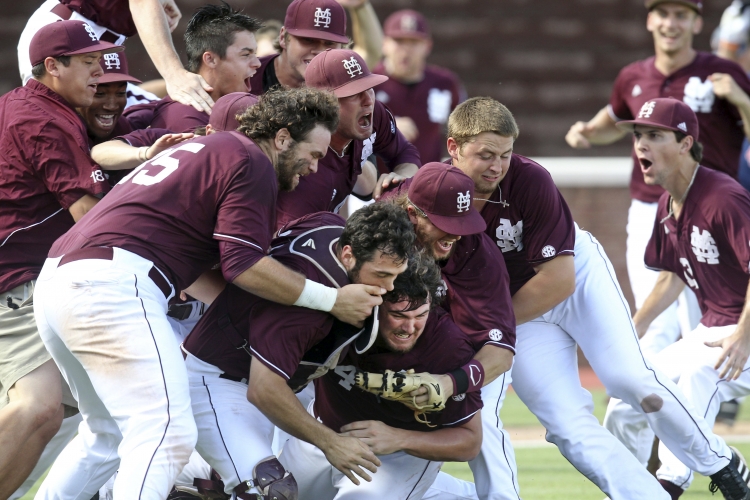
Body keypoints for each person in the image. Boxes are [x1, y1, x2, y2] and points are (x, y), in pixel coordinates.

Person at [30, 87, 381, 498]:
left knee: (105, 435)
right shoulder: (253, 160)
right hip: (110, 285)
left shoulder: (216, 149)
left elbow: (209, 264)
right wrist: (332, 300)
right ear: (282, 138)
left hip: (61, 280)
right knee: (167, 434)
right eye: (315, 154)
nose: (315, 167)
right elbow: (244, 264)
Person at [425, 96, 750, 500]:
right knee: (567, 428)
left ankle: (719, 461)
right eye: (485, 155)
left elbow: (559, 282)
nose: (497, 166)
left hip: (571, 279)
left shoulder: (529, 179)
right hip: (514, 311)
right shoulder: (429, 193)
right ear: (453, 148)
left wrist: (491, 328)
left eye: (505, 154)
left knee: (627, 379)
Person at [181, 204, 414, 497]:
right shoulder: (304, 308)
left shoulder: (330, 225)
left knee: (233, 478)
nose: (389, 286)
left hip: (250, 375)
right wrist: (330, 443)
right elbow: (264, 390)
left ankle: (193, 480)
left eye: (396, 274)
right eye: (381, 274)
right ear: (347, 254)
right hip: (219, 383)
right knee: (269, 489)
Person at [565, 0, 750, 365]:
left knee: (706, 318)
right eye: (663, 13)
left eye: (682, 15)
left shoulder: (721, 73)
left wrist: (741, 98)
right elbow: (612, 120)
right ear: (650, 20)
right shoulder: (633, 76)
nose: (671, 23)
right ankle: (646, 403)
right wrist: (587, 132)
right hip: (653, 208)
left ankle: (704, 399)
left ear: (697, 24)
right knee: (656, 316)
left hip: (714, 210)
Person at [602, 97, 750, 498]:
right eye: (638, 136)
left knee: (696, 380)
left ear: (685, 143)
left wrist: (743, 337)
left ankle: (670, 483)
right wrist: (634, 327)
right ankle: (628, 489)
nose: (641, 145)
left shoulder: (723, 197)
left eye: (654, 135)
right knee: (627, 397)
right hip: (712, 329)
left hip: (744, 331)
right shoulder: (667, 204)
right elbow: (672, 276)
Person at [0, 20, 117, 498]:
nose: (98, 73)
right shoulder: (44, 117)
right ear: (53, 66)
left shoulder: (30, 103)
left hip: (27, 276)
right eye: (88, 63)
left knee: (87, 411)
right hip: (19, 280)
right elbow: (87, 215)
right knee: (40, 408)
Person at [279, 251, 483, 500]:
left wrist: (399, 439)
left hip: (397, 455)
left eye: (421, 315)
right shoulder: (337, 317)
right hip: (321, 432)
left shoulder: (448, 346)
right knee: (271, 494)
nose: (410, 328)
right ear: (374, 303)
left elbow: (470, 442)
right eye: (398, 315)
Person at [275, 48, 419, 228]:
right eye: (354, 93)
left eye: (369, 88)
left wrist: (402, 181)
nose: (368, 100)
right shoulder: (306, 169)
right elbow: (289, 250)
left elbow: (405, 152)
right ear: (323, 105)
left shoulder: (370, 114)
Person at [18, 0, 215, 112]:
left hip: (90, 34)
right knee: (61, 128)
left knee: (116, 101)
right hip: (67, 35)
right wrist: (174, 74)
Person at [123, 3, 262, 133]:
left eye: (255, 54)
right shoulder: (185, 116)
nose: (257, 63)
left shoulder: (237, 105)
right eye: (246, 54)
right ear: (210, 59)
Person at [372, 9, 465, 164]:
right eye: (399, 41)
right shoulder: (371, 81)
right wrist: (386, 126)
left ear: (427, 46)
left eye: (414, 42)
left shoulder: (445, 83)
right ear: (384, 44)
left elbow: (466, 129)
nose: (406, 50)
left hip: (428, 180)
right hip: (378, 181)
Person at [247, 0, 349, 95]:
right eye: (308, 40)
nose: (319, 51)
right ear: (283, 38)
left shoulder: (348, 84)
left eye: (329, 43)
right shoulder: (247, 77)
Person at [80, 51, 140, 144]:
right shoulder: (55, 128)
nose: (112, 106)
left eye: (121, 92)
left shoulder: (121, 127)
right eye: (99, 93)